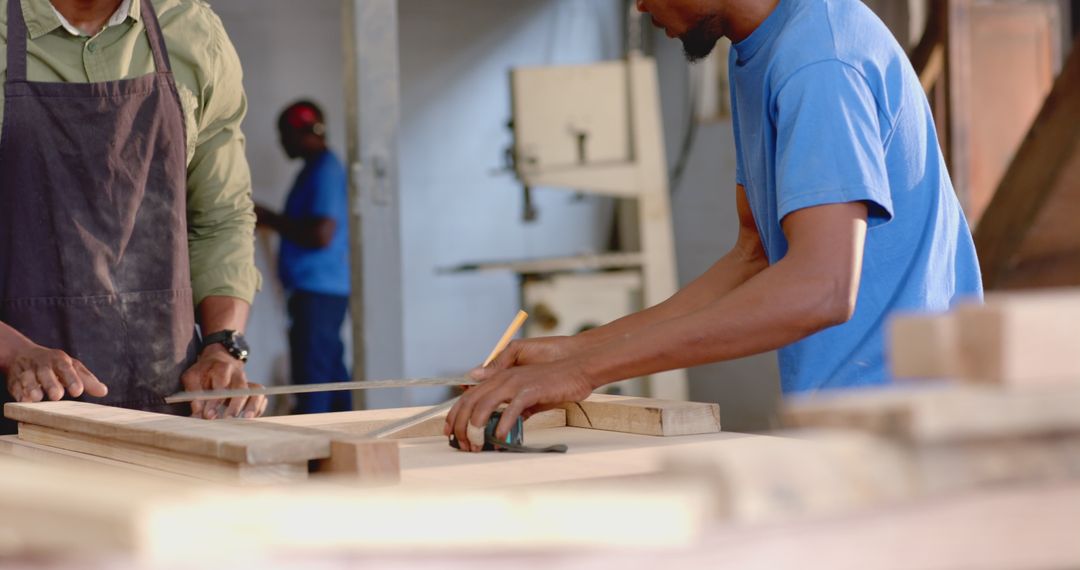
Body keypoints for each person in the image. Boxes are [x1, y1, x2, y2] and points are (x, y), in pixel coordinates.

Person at [447, 0, 984, 450]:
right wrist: (574, 353)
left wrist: (589, 372)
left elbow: (822, 288)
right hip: (849, 427)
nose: (637, 4)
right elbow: (755, 255)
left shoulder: (819, 62)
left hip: (913, 435)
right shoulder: (758, 50)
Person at [0, 0, 267, 433]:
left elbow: (222, 216)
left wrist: (222, 345)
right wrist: (12, 351)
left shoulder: (191, 32)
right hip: (16, 415)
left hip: (165, 403)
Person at [255, 101, 352, 414]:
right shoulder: (315, 170)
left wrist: (269, 217)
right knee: (332, 380)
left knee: (313, 383)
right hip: (317, 292)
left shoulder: (324, 169)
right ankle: (347, 450)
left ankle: (316, 455)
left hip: (318, 292)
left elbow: (320, 234)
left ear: (301, 132)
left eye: (284, 134)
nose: (281, 143)